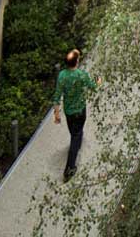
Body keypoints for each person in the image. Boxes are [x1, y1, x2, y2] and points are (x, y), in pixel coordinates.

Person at [52, 48, 100, 180]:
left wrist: (57, 113)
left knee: (74, 132)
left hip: (68, 112)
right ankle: (70, 168)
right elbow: (93, 87)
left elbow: (57, 95)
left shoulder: (62, 75)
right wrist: (98, 81)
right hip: (80, 110)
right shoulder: (81, 75)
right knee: (75, 136)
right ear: (76, 61)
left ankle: (77, 141)